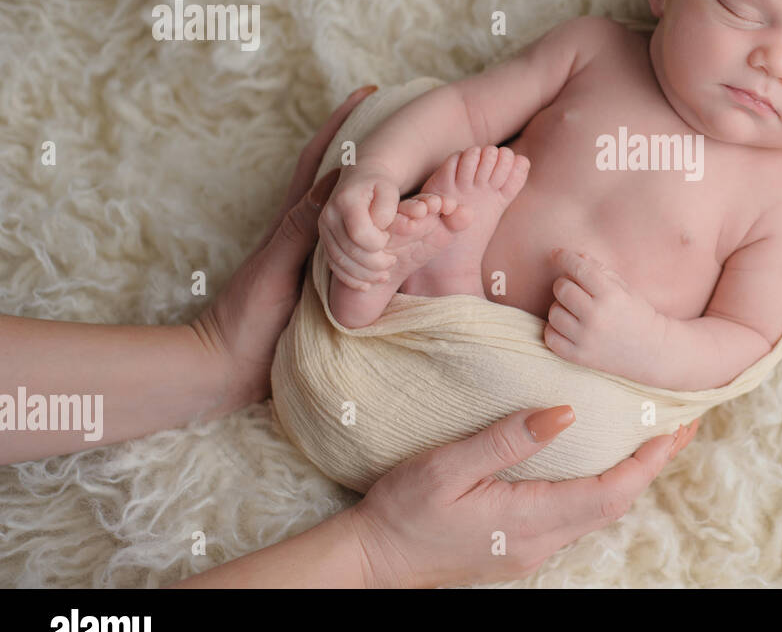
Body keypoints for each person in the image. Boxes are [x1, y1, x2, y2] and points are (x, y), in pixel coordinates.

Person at [0, 85, 698, 588]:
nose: (773, 59)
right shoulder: (597, 50)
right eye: (735, 6)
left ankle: (415, 287)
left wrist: (214, 356)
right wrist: (376, 555)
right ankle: (421, 289)